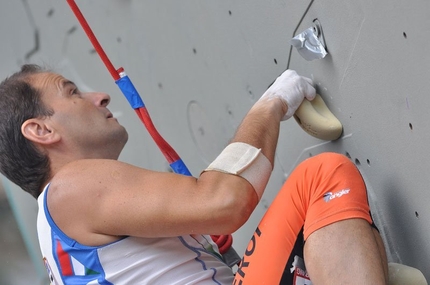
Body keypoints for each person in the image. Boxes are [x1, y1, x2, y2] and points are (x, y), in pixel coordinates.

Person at [0, 64, 388, 285]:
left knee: (324, 236)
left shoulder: (57, 234)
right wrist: (271, 105)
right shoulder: (69, 189)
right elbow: (224, 200)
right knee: (322, 178)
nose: (98, 96)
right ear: (41, 131)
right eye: (71, 92)